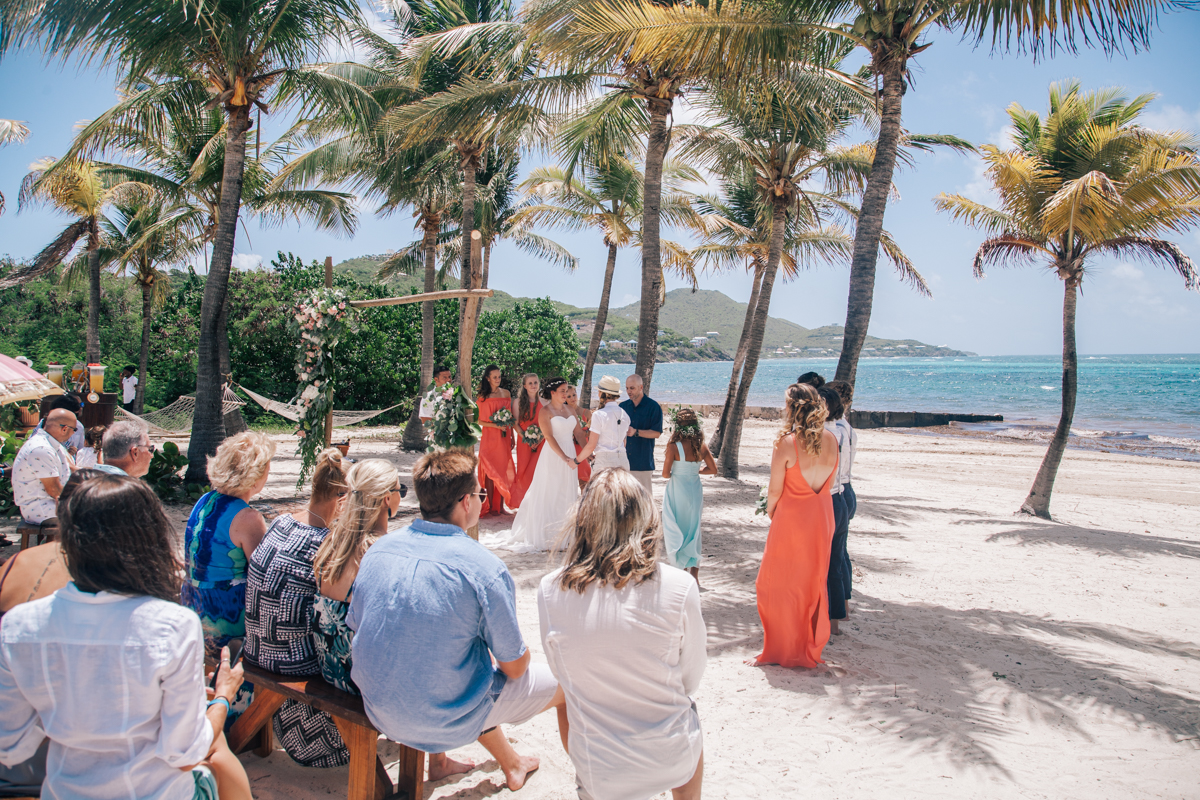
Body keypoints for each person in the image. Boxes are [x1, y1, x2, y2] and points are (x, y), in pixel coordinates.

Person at [0, 473, 253, 800]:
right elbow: (185, 752)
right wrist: (222, 696)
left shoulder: (21, 626)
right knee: (217, 763)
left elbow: (11, 746)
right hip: (156, 792)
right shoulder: (173, 625)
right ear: (149, 538)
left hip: (63, 791)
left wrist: (75, 716)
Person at [350, 450, 567, 791]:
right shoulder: (483, 567)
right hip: (443, 717)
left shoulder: (379, 551)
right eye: (481, 495)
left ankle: (489, 762)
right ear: (466, 502)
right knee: (566, 684)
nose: (481, 501)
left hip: (381, 707)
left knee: (448, 658)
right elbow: (515, 669)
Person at [538, 469, 706, 800]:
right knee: (688, 714)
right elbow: (690, 679)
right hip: (670, 760)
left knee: (570, 699)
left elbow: (562, 672)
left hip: (599, 766)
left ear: (583, 521)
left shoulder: (550, 589)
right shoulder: (680, 586)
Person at [311, 458, 473, 782]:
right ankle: (438, 761)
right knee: (439, 655)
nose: (403, 495)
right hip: (356, 676)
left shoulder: (333, 540)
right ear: (387, 499)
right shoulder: (378, 551)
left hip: (327, 662)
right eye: (400, 490)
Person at [244, 448, 351, 768]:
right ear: (341, 501)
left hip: (257, 653)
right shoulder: (327, 547)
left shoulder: (280, 524)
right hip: (293, 668)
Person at [749, 383, 838, 669]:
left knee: (774, 584)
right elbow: (830, 483)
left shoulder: (786, 443)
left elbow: (775, 491)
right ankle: (804, 647)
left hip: (792, 518)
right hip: (822, 516)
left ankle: (779, 650)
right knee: (811, 583)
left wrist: (774, 513)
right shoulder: (832, 440)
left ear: (792, 408)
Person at [182, 431, 274, 674]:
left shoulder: (205, 500)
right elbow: (262, 576)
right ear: (254, 477)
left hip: (194, 604)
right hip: (227, 616)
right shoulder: (248, 518)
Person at [496, 377, 581, 552]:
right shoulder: (546, 411)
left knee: (567, 491)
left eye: (567, 391)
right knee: (551, 491)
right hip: (553, 454)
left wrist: (588, 451)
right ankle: (548, 534)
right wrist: (564, 457)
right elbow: (549, 437)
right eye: (563, 391)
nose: (566, 394)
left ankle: (566, 534)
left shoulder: (570, 411)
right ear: (553, 393)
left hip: (571, 453)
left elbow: (578, 432)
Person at [661, 408, 717, 584]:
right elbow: (713, 469)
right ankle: (695, 576)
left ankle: (681, 570)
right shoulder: (701, 446)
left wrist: (678, 473)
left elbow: (665, 474)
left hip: (678, 489)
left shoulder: (673, 447)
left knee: (677, 526)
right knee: (694, 528)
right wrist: (695, 470)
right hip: (694, 489)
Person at [819, 386, 852, 634]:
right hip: (842, 493)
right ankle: (839, 618)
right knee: (837, 561)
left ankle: (830, 621)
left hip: (829, 499)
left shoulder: (825, 435)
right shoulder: (844, 430)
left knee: (826, 564)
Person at [826, 380, 859, 616]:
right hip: (846, 489)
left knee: (835, 559)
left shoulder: (833, 430)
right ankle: (844, 605)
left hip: (838, 491)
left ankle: (840, 610)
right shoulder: (846, 427)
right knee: (841, 553)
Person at [12, 407, 75, 525]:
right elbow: (54, 490)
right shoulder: (42, 448)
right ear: (64, 429)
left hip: (49, 504)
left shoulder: (52, 443)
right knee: (96, 516)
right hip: (41, 508)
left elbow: (71, 469)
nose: (73, 434)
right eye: (74, 430)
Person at [476, 364, 515, 516]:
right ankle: (491, 507)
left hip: (504, 437)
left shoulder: (506, 393)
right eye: (494, 377)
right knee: (489, 473)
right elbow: (479, 421)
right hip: (489, 438)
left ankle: (500, 507)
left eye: (499, 376)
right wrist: (496, 426)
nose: (498, 379)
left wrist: (512, 437)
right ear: (488, 378)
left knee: (502, 470)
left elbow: (510, 417)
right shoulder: (482, 397)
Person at [574, 375, 630, 473]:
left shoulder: (599, 415)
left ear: (601, 394)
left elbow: (591, 445)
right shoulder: (625, 414)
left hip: (604, 462)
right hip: (623, 460)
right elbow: (623, 443)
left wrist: (576, 461)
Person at [620, 374, 663, 495]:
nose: (629, 391)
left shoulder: (653, 407)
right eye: (627, 388)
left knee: (645, 502)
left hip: (643, 462)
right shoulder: (622, 407)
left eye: (632, 388)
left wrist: (636, 432)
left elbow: (656, 433)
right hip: (623, 461)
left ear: (641, 387)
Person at [510, 373, 542, 508]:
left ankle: (538, 503)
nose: (533, 385)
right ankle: (523, 504)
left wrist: (540, 439)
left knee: (538, 471)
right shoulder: (517, 402)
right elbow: (515, 424)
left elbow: (548, 424)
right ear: (524, 386)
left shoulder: (545, 402)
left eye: (535, 382)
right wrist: (526, 438)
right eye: (530, 383)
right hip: (524, 442)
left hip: (541, 443)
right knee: (523, 472)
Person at [564, 385, 591, 488]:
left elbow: (593, 432)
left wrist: (584, 433)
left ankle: (584, 503)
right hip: (569, 449)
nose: (572, 398)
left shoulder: (587, 413)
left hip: (582, 449)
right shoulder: (563, 414)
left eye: (574, 395)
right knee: (567, 482)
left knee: (584, 480)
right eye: (569, 396)